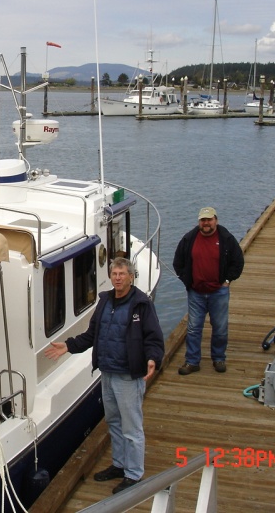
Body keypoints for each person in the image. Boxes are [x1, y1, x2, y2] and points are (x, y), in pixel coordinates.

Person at [44, 258, 164, 495]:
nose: (118, 277)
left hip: (129, 376)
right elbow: (91, 335)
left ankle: (134, 474)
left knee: (132, 428)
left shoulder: (141, 304)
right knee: (114, 423)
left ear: (131, 276)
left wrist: (153, 358)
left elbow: (153, 337)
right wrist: (68, 346)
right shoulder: (105, 301)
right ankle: (119, 465)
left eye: (122, 273)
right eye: (114, 274)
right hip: (107, 373)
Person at [173, 207, 244, 375]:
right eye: (203, 220)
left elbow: (238, 261)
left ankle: (218, 358)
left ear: (216, 220)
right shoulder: (189, 238)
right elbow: (178, 262)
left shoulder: (226, 238)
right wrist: (187, 281)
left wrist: (227, 280)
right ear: (199, 222)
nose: (206, 223)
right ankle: (192, 361)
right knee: (193, 328)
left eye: (209, 220)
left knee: (220, 328)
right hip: (196, 292)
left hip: (219, 292)